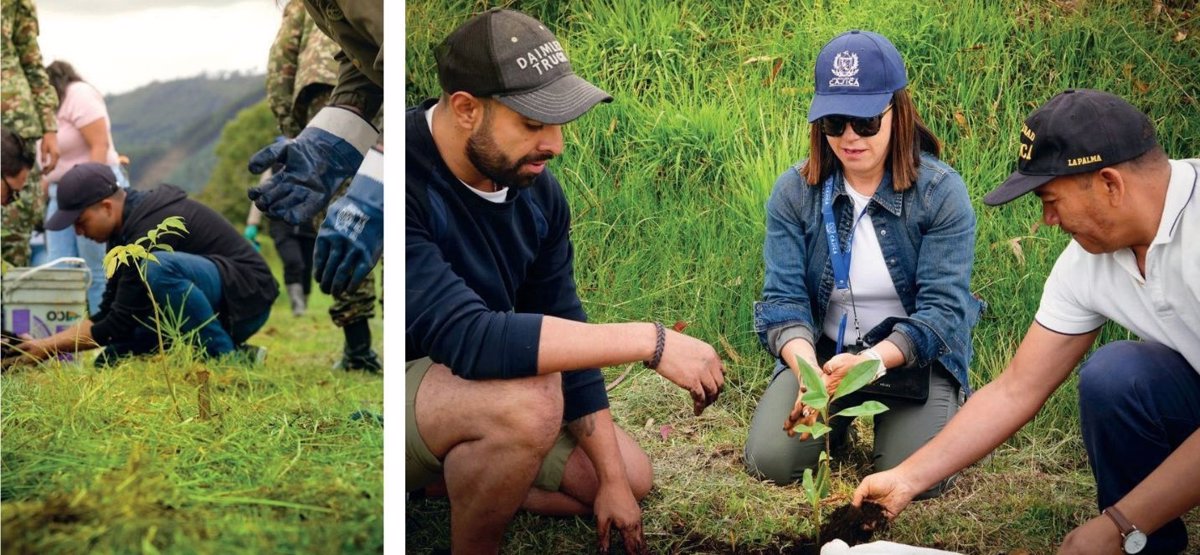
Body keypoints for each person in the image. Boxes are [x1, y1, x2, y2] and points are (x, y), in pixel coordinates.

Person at [407, 9, 726, 554]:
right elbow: (470, 338)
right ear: (465, 109)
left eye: (557, 122)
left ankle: (455, 482)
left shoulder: (537, 191)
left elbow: (561, 321)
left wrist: (611, 481)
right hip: (407, 383)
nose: (554, 144)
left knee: (630, 475)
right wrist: (651, 342)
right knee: (530, 402)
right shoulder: (404, 181)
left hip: (486, 383)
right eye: (532, 124)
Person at [853, 89, 1200, 555]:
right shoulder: (1088, 261)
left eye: (1050, 199)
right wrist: (905, 478)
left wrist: (1118, 523)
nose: (1047, 219)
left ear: (1110, 184)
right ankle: (1147, 548)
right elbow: (1017, 388)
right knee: (1117, 376)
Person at [744, 30, 982, 496]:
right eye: (835, 121)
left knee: (916, 479)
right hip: (825, 355)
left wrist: (871, 362)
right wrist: (808, 369)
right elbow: (783, 302)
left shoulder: (941, 193)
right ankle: (837, 421)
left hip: (910, 358)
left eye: (866, 121)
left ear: (900, 113)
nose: (850, 137)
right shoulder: (794, 193)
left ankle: (918, 410)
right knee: (772, 463)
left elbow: (942, 314)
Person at [6, 162, 278, 366]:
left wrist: (47, 347)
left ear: (106, 207)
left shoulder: (150, 227)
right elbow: (110, 314)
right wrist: (42, 345)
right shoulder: (122, 234)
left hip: (247, 299)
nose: (78, 232)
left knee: (158, 266)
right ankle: (245, 356)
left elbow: (117, 322)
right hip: (215, 304)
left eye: (80, 221)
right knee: (111, 358)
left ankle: (224, 357)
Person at [247, 0, 380, 369]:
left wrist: (292, 126)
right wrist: (320, 142)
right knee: (358, 224)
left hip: (342, 95)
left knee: (351, 222)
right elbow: (362, 60)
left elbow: (280, 65)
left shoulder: (297, 9)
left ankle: (363, 347)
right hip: (350, 98)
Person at [41, 60, 130, 315]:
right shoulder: (45, 111)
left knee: (98, 269)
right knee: (58, 269)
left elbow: (99, 145)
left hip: (94, 190)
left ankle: (106, 337)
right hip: (61, 192)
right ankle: (64, 343)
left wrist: (91, 197)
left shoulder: (78, 94)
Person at [1, 0, 59, 269]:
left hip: (15, 125)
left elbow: (32, 61)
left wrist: (49, 126)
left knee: (12, 234)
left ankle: (9, 308)